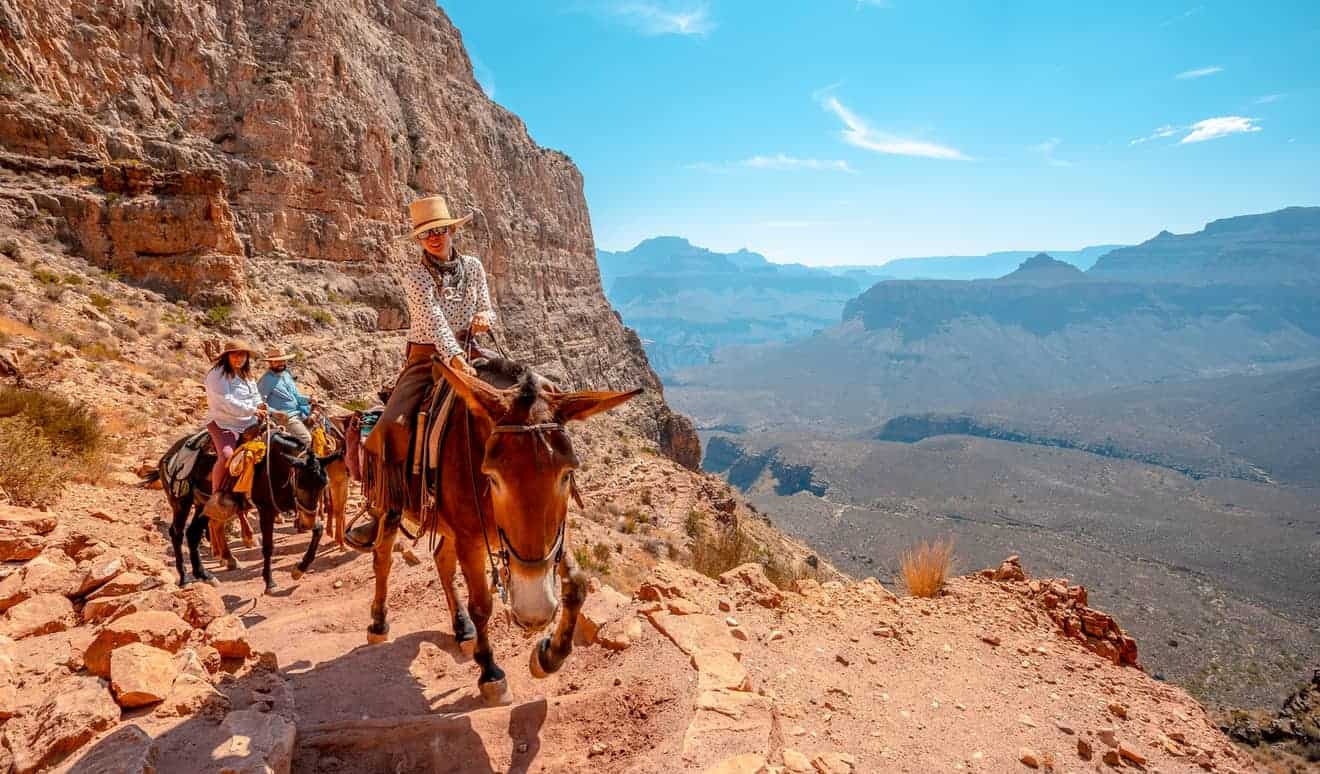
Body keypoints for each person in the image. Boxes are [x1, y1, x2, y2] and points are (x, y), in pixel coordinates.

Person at [347, 194, 495, 551]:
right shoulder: (416, 276)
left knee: (517, 396)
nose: (435, 238)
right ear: (419, 240)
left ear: (450, 231)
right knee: (390, 428)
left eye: (440, 230)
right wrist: (455, 358)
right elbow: (435, 322)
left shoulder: (473, 266)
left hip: (472, 349)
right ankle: (383, 508)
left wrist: (485, 318)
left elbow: (487, 306)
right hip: (427, 358)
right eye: (427, 233)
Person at [203, 340, 267, 515]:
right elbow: (226, 401)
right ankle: (217, 497)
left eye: (243, 354)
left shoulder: (247, 376)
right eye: (235, 354)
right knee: (227, 456)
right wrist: (253, 410)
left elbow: (255, 395)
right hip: (224, 422)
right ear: (226, 356)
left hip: (249, 421)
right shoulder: (217, 375)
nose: (239, 358)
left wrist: (261, 405)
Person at [257, 347, 313, 447]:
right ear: (270, 363)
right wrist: (274, 412)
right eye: (277, 361)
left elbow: (296, 396)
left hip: (298, 412)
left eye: (283, 360)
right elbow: (259, 403)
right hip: (286, 418)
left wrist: (309, 400)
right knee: (307, 439)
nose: (281, 363)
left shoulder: (286, 374)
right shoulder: (266, 380)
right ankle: (302, 462)